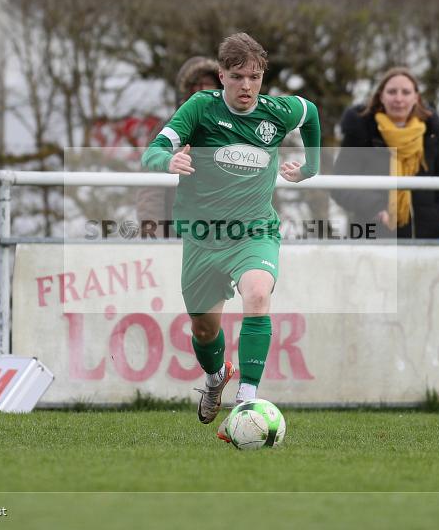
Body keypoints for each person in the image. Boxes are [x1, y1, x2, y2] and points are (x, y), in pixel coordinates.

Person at [141, 32, 321, 440]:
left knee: (258, 293)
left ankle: (247, 399)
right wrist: (166, 160)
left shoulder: (277, 112)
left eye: (255, 77)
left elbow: (310, 112)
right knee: (204, 331)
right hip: (203, 237)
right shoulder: (200, 109)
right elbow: (153, 149)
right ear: (221, 76)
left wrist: (312, 167)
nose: (247, 86)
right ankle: (216, 376)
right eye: (238, 77)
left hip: (255, 230)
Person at [331, 67, 439, 239]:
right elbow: (340, 185)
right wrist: (373, 207)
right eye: (392, 92)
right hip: (372, 237)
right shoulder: (360, 133)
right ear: (381, 96)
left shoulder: (431, 135)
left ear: (416, 98)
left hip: (425, 240)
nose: (398, 98)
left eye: (405, 92)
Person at [136, 57, 221, 237]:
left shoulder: (239, 130)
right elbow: (150, 190)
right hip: (177, 235)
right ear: (186, 92)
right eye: (196, 85)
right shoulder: (167, 130)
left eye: (208, 84)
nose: (202, 90)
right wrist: (154, 237)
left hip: (228, 237)